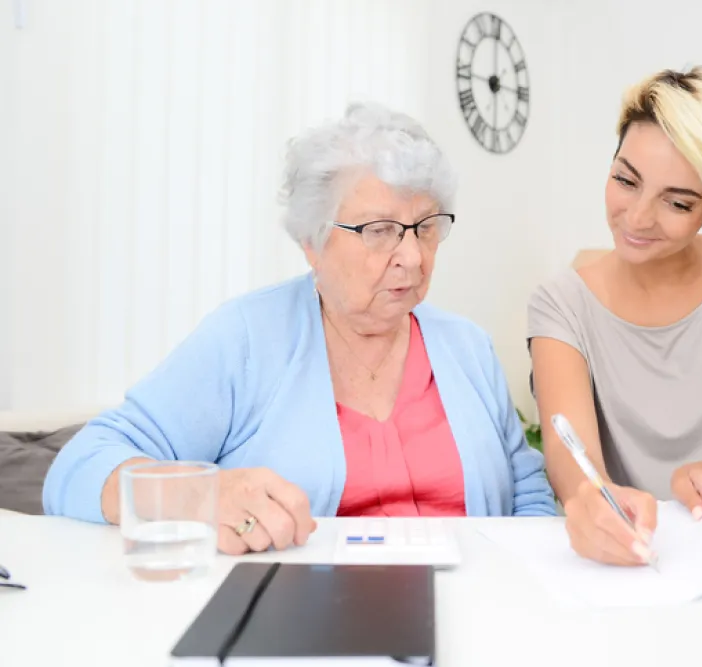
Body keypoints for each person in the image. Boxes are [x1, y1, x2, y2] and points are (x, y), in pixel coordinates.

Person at [44, 102, 557, 553]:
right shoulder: (247, 338)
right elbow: (80, 467)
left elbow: (527, 495)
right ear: (312, 241)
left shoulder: (467, 346)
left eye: (425, 227)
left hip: (470, 607)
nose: (413, 256)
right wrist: (200, 496)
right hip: (303, 609)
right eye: (380, 230)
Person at [527, 66, 702, 567]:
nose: (638, 217)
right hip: (644, 561)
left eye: (678, 203)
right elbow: (571, 462)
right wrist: (594, 504)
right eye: (625, 180)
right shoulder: (561, 304)